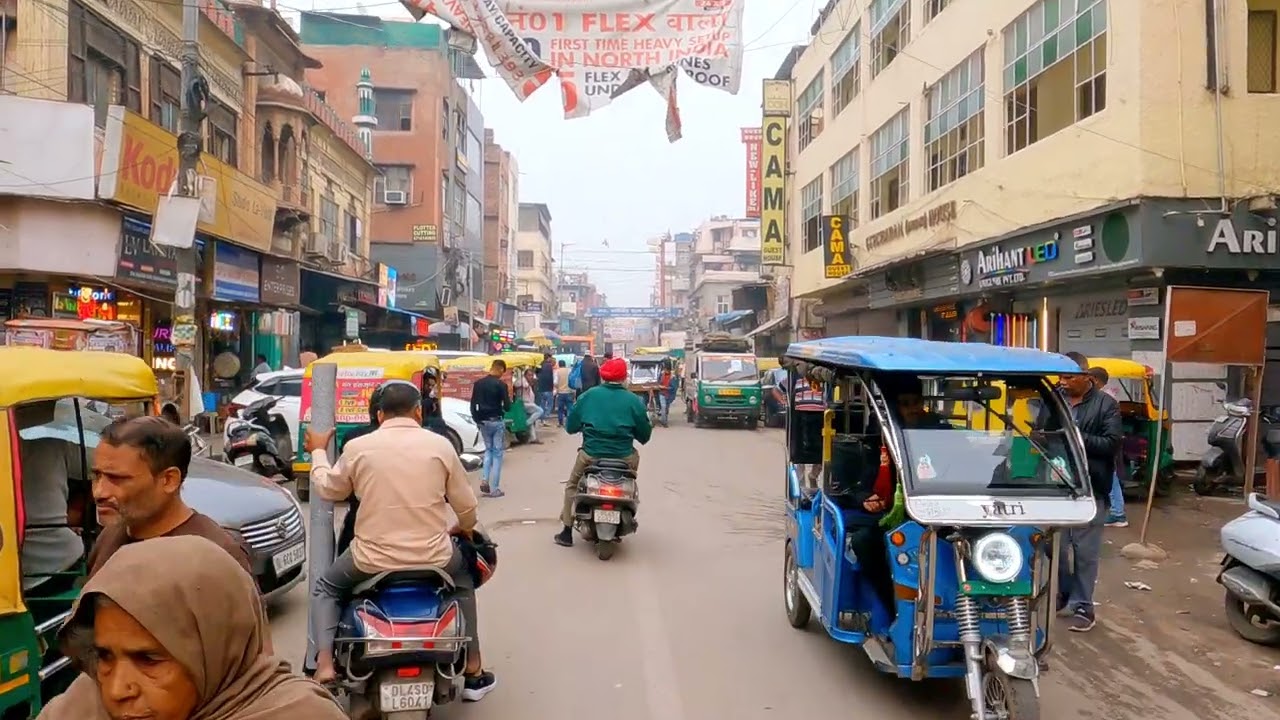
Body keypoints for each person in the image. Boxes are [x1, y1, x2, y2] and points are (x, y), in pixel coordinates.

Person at [304, 383, 495, 698]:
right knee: (464, 584)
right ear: (419, 411)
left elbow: (328, 489)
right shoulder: (441, 445)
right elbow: (466, 506)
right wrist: (464, 528)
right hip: (435, 557)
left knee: (327, 587)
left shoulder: (358, 447)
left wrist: (318, 452)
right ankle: (474, 668)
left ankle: (324, 666)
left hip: (370, 559)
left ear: (379, 415)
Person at [37, 536, 344, 720]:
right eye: (104, 656)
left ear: (217, 648)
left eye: (148, 659)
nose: (117, 690)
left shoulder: (296, 714)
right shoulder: (84, 706)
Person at [88, 416, 251, 579]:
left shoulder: (217, 557)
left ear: (168, 480)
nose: (99, 492)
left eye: (117, 479)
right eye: (97, 475)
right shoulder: (110, 537)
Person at [554, 357, 652, 547]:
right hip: (625, 457)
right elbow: (645, 436)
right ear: (624, 377)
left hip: (590, 455)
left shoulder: (588, 396)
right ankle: (626, 509)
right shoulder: (634, 400)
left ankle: (566, 532)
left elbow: (571, 427)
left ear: (603, 375)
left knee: (572, 487)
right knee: (630, 482)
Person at [1057, 351, 1122, 632]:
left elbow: (1111, 444)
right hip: (1057, 487)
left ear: (1086, 377)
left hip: (1091, 488)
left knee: (1085, 553)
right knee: (1055, 549)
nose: (1063, 382)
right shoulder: (1055, 399)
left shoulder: (1106, 405)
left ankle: (1084, 606)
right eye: (1060, 377)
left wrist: (1075, 436)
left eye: (1069, 377)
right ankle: (1064, 596)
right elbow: (1041, 433)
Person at [16, 401, 85, 593]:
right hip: (61, 558)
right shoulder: (53, 447)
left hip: (30, 566)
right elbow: (97, 470)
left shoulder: (53, 447)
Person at [1088, 366, 1130, 528]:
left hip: (1106, 443)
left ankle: (1118, 514)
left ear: (1096, 380)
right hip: (1106, 442)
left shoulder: (1105, 398)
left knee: (1110, 477)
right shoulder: (1107, 395)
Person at [470, 359, 511, 497]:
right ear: (500, 369)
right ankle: (494, 489)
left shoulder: (478, 384)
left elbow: (473, 404)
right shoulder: (501, 385)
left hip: (482, 422)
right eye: (502, 372)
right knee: (497, 454)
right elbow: (507, 406)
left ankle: (484, 479)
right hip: (496, 421)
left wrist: (477, 420)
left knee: (488, 450)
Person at [519, 368, 545, 444]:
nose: (531, 377)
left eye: (532, 375)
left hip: (530, 403)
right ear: (525, 375)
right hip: (524, 404)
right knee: (540, 410)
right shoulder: (521, 381)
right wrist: (525, 383)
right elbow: (517, 384)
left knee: (531, 420)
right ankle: (526, 423)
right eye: (529, 375)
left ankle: (533, 438)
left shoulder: (530, 383)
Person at [536, 354, 556, 422]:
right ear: (548, 358)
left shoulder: (540, 365)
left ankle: (542, 417)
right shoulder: (549, 366)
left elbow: (537, 374)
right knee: (550, 403)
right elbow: (550, 378)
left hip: (541, 388)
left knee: (542, 404)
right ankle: (545, 416)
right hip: (548, 388)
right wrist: (552, 387)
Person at [554, 359, 574, 427]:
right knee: (570, 407)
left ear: (559, 365)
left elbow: (555, 382)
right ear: (565, 364)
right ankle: (571, 422)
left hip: (561, 392)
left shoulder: (557, 371)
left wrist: (558, 387)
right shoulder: (570, 370)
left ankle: (560, 423)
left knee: (560, 409)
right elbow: (573, 380)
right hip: (569, 392)